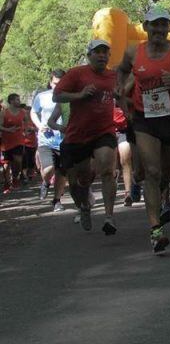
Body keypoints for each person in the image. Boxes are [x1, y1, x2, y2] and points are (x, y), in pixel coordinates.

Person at [117, 6, 170, 255]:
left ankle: (162, 193)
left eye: (164, 25)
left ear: (169, 28)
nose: (159, 30)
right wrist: (121, 90)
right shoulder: (134, 51)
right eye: (155, 24)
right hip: (145, 119)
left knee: (165, 174)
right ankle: (156, 230)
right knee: (152, 172)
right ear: (146, 27)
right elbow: (121, 69)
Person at [53, 39, 119, 235]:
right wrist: (79, 95)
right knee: (79, 181)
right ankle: (83, 206)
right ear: (89, 55)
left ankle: (109, 217)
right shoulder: (76, 73)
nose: (101, 55)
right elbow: (57, 95)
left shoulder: (113, 76)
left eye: (105, 52)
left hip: (104, 131)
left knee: (107, 170)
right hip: (78, 135)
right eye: (97, 52)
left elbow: (124, 93)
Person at [30, 71, 67, 210]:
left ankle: (56, 201)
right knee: (50, 168)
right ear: (50, 83)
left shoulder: (70, 97)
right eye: (55, 83)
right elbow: (33, 112)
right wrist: (39, 126)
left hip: (64, 139)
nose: (58, 86)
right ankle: (45, 182)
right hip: (46, 139)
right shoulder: (42, 97)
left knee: (62, 172)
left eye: (61, 83)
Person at [0, 94, 30, 192]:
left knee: (18, 160)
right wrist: (8, 129)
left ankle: (15, 178)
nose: (19, 101)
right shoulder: (4, 113)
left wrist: (25, 131)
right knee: (6, 164)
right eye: (17, 99)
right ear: (11, 101)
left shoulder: (23, 112)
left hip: (19, 140)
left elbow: (26, 122)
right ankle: (7, 183)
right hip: (6, 141)